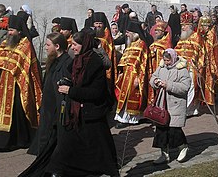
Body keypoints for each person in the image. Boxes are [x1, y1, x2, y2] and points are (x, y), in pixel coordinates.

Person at [46, 29, 119, 176]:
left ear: (84, 44)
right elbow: (74, 79)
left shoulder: (95, 63)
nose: (72, 47)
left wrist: (70, 91)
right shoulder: (77, 61)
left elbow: (96, 93)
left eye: (74, 44)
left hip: (92, 114)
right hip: (76, 113)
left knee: (102, 151)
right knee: (66, 149)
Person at [0, 15, 42, 152]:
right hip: (3, 82)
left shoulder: (26, 44)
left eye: (12, 30)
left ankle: (17, 140)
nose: (9, 33)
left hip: (18, 84)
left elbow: (25, 66)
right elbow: (0, 58)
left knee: (17, 113)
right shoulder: (7, 42)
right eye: (9, 29)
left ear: (19, 31)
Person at [27, 32, 72, 156]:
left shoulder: (66, 63)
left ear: (57, 46)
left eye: (48, 45)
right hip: (48, 108)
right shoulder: (54, 61)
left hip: (55, 111)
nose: (45, 47)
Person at [149, 48, 191, 164]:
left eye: (168, 60)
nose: (166, 62)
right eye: (165, 60)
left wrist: (168, 85)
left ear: (173, 58)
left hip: (175, 104)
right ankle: (164, 154)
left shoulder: (181, 70)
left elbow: (185, 87)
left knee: (174, 130)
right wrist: (156, 82)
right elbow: (152, 78)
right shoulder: (161, 67)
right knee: (161, 130)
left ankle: (182, 147)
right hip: (162, 104)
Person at [115, 21, 149, 125]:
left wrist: (139, 78)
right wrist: (121, 71)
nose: (127, 34)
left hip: (134, 75)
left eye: (128, 32)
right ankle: (124, 117)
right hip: (126, 74)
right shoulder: (131, 44)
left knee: (132, 96)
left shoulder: (142, 44)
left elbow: (144, 63)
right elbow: (125, 59)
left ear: (135, 33)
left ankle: (130, 118)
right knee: (124, 95)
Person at [174, 11, 204, 116]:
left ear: (190, 26)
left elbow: (201, 53)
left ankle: (188, 109)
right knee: (183, 87)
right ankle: (186, 108)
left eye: (185, 26)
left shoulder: (196, 36)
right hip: (181, 66)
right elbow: (177, 49)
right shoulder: (182, 37)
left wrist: (197, 65)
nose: (183, 28)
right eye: (182, 25)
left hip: (192, 66)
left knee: (191, 86)